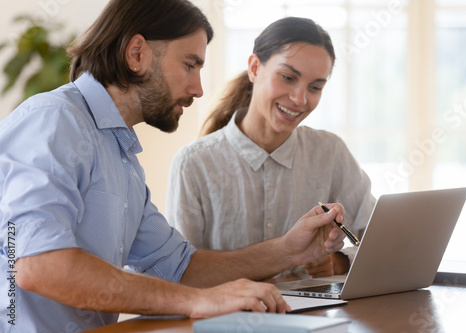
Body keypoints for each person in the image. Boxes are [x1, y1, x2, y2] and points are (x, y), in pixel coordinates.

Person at [0, 2, 347, 332]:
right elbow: (39, 265)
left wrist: (288, 249)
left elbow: (179, 267)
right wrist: (199, 301)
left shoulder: (122, 159)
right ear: (137, 54)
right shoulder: (53, 119)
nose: (197, 89)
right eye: (190, 65)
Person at [166, 17, 376, 278]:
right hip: (224, 318)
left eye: (315, 87)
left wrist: (338, 262)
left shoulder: (330, 153)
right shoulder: (194, 164)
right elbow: (178, 271)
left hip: (314, 319)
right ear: (254, 68)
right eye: (288, 77)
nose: (300, 99)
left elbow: (380, 242)